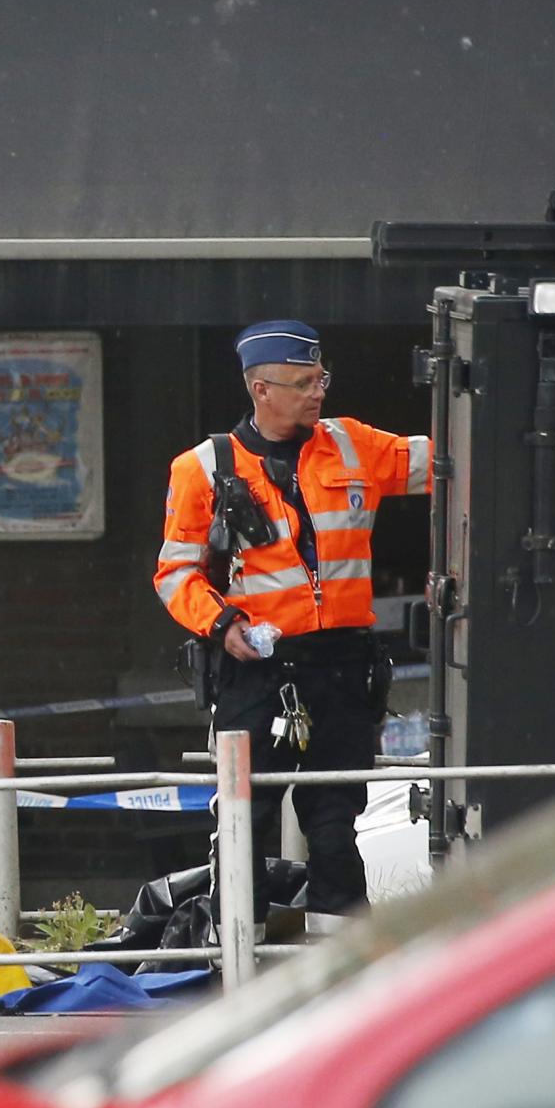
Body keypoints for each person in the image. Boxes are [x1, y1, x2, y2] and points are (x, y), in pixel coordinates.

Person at [154, 319, 432, 924]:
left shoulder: (353, 444)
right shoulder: (201, 469)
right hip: (256, 670)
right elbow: (175, 574)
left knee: (336, 823)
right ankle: (237, 961)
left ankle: (340, 972)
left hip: (341, 666)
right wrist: (223, 625)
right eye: (303, 381)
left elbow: (451, 463)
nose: (318, 392)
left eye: (321, 377)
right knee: (243, 820)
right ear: (261, 389)